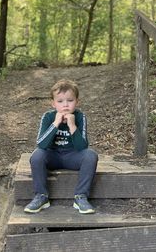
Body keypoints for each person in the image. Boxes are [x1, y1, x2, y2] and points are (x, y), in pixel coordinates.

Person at [24, 79, 98, 214]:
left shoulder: (80, 117)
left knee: (91, 155)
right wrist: (56, 123)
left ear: (77, 102)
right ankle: (41, 196)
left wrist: (72, 125)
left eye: (70, 100)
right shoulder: (48, 117)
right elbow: (41, 144)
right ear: (53, 103)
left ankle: (80, 197)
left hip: (73, 156)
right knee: (37, 155)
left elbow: (82, 147)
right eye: (60, 101)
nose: (65, 105)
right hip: (52, 156)